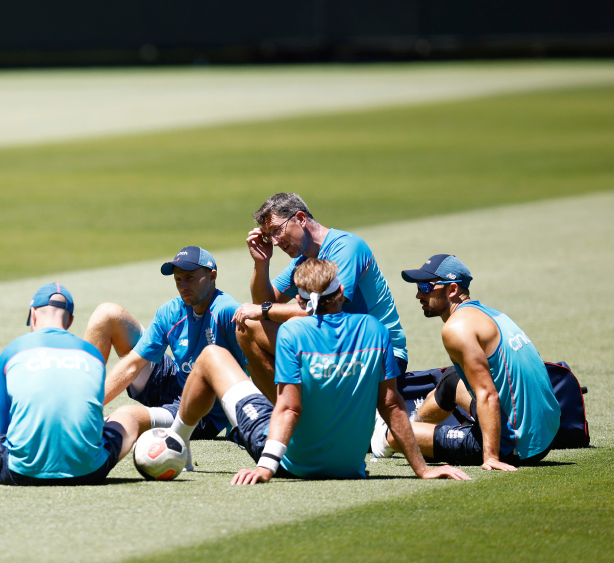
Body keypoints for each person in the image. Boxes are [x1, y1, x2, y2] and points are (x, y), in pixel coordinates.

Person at [171, 259, 469, 483]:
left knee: (211, 357)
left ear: (299, 301)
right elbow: (391, 405)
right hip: (350, 468)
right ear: (341, 292)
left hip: (293, 463)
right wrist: (423, 469)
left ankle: (176, 441)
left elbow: (288, 408)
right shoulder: (375, 330)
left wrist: (266, 466)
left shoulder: (293, 332)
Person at [0, 283, 142, 486]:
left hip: (22, 470)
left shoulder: (12, 350)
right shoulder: (93, 354)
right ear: (69, 321)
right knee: (128, 420)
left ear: (33, 314)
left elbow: (2, 428)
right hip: (90, 471)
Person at [372, 255, 561, 469]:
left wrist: (490, 457)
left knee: (397, 434)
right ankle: (417, 422)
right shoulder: (490, 314)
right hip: (545, 435)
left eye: (425, 287)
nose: (418, 294)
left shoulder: (456, 328)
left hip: (515, 445)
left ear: (452, 290)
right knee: (452, 378)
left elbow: (488, 394)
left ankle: (386, 433)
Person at [235, 193, 408, 401]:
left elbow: (325, 307)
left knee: (255, 322)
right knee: (247, 328)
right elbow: (265, 302)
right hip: (337, 347)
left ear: (300, 218)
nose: (275, 241)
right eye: (268, 235)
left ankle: (300, 413)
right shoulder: (302, 261)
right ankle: (293, 416)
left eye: (277, 230)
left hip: (379, 356)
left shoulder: (346, 247)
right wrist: (261, 264)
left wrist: (263, 310)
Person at [83, 246, 246, 445]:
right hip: (174, 381)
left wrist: (238, 422)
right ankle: (76, 407)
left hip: (199, 412)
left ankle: (82, 430)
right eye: (178, 279)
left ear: (212, 276)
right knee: (108, 314)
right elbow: (133, 364)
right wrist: (89, 405)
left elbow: (249, 370)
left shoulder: (227, 311)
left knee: (126, 415)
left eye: (190, 278)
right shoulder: (170, 311)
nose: (183, 285)